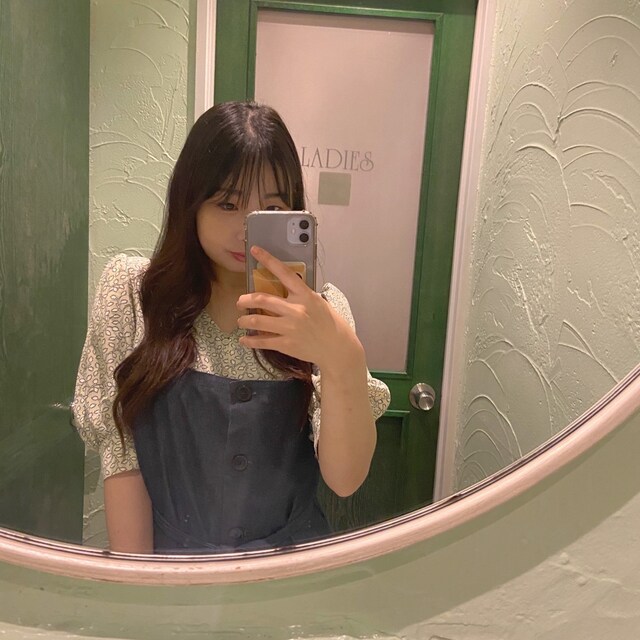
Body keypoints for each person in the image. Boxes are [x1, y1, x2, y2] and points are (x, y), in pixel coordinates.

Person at [72, 101, 390, 554]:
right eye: (227, 203)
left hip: (289, 571)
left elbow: (345, 479)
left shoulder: (321, 314)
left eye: (271, 207)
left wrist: (344, 358)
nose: (245, 230)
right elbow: (122, 457)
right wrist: (140, 585)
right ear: (190, 203)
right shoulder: (133, 296)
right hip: (171, 568)